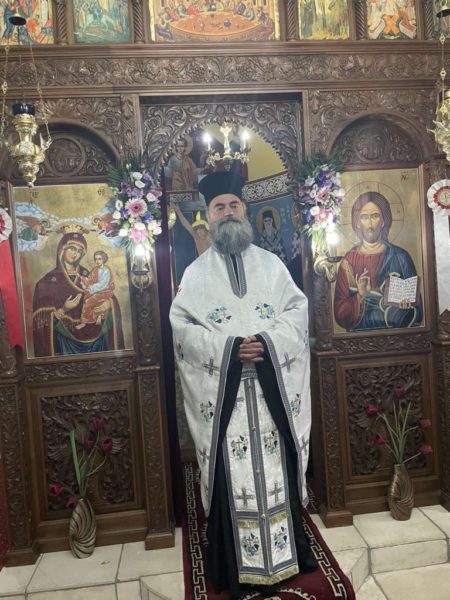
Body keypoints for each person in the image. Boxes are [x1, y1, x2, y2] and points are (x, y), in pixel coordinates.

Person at [170, 171, 317, 599]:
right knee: (231, 477)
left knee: (275, 472)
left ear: (245, 211)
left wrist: (266, 344)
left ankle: (287, 555)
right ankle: (235, 566)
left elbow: (297, 312)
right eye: (220, 207)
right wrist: (231, 349)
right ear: (209, 215)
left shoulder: (272, 265)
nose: (228, 212)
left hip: (271, 395)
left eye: (234, 205)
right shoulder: (195, 274)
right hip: (226, 399)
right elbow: (182, 329)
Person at [334, 191, 423, 331]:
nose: (370, 224)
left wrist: (407, 308)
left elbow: (419, 311)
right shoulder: (349, 261)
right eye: (364, 217)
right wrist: (360, 296)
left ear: (383, 221)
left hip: (397, 337)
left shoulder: (401, 257)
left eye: (375, 216)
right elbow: (340, 314)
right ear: (357, 223)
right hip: (359, 338)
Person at [32, 229, 124, 356]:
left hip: (97, 341)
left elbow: (107, 293)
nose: (75, 254)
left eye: (80, 251)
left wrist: (108, 304)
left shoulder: (90, 275)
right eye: (72, 248)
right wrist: (64, 309)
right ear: (62, 249)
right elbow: (40, 321)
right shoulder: (47, 282)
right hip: (64, 343)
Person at [76, 250, 114, 329]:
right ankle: (98, 315)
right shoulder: (95, 269)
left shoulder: (106, 270)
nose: (97, 261)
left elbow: (103, 284)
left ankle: (84, 321)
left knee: (88, 301)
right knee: (88, 298)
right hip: (95, 290)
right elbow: (90, 280)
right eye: (96, 259)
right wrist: (82, 278)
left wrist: (89, 288)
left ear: (104, 259)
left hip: (104, 291)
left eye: (100, 259)